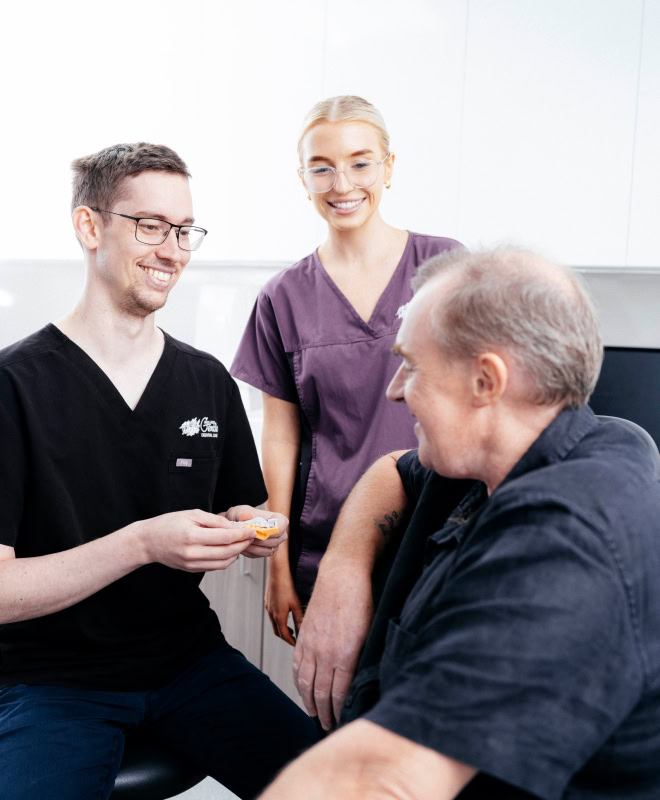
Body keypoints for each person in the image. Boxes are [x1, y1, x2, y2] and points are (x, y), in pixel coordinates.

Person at [259, 247, 660, 799]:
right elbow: (390, 473)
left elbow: (383, 779)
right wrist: (344, 567)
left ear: (486, 381)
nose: (395, 388)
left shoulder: (566, 543)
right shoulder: (499, 455)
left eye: (413, 365)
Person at [0, 143, 318, 800]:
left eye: (183, 231)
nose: (172, 250)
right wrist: (143, 543)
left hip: (190, 663)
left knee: (341, 789)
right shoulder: (14, 385)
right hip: (48, 680)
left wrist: (252, 530)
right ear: (90, 227)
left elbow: (241, 509)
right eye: (150, 226)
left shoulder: (205, 381)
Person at [231, 95, 462, 644]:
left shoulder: (446, 266)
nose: (342, 183)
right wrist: (279, 566)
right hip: (330, 547)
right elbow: (281, 439)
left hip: (439, 530)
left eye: (360, 162)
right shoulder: (282, 298)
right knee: (339, 711)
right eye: (322, 168)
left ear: (389, 166)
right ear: (302, 178)